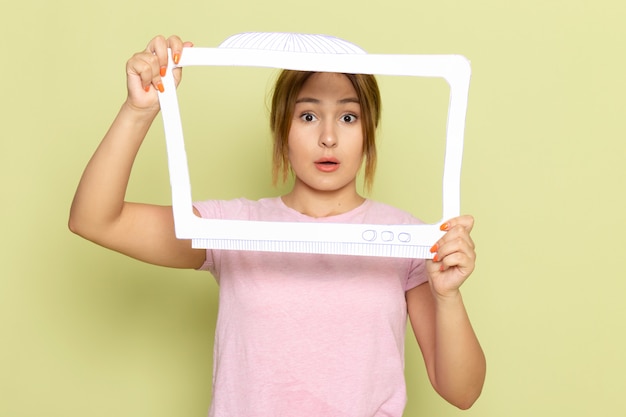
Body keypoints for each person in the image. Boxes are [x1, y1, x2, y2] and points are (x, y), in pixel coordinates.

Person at [69, 35, 486, 416]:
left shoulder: (408, 238)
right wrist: (139, 110)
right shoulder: (232, 227)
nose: (328, 138)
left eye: (347, 118)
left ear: (368, 132)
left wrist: (447, 295)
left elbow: (462, 392)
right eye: (307, 116)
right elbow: (96, 219)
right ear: (282, 129)